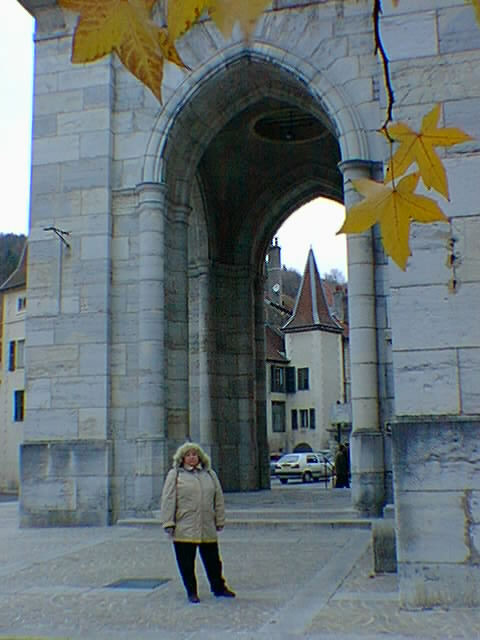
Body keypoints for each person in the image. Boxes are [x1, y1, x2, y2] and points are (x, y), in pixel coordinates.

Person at [160, 442, 236, 604]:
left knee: (213, 561)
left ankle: (218, 587)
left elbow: (218, 499)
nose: (192, 457)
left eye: (194, 454)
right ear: (182, 458)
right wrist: (168, 522)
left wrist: (220, 519)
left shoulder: (209, 474)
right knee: (186, 563)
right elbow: (168, 499)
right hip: (184, 525)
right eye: (188, 455)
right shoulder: (175, 475)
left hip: (206, 524)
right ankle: (192, 591)